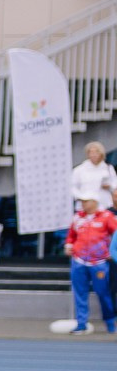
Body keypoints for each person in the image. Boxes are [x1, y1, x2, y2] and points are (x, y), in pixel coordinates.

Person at [67, 195, 116, 334]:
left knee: (103, 292)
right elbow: (71, 235)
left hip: (99, 262)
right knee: (80, 293)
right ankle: (81, 323)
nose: (83, 204)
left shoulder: (106, 216)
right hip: (79, 260)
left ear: (95, 201)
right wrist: (68, 245)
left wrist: (111, 251)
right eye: (82, 201)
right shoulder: (77, 217)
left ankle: (110, 322)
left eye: (86, 201)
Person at [71, 141, 117, 214]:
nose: (94, 155)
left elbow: (115, 185)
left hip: (104, 206)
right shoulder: (79, 170)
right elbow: (73, 187)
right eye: (91, 152)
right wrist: (83, 198)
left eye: (96, 152)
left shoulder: (108, 168)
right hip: (85, 208)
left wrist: (109, 186)